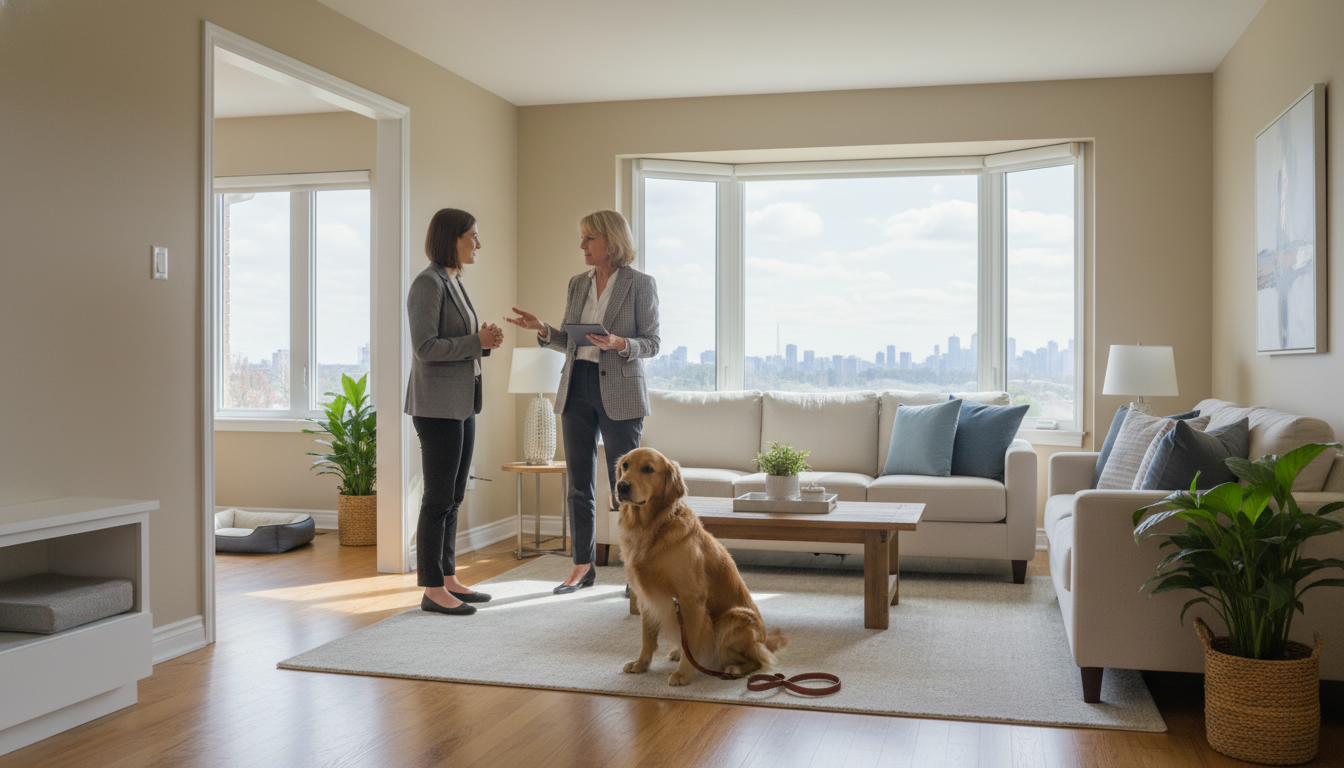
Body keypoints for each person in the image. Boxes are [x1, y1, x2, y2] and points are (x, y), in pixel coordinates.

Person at [506, 209, 660, 595]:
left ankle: (637, 571)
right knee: (578, 484)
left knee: (628, 487)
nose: (582, 245)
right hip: (576, 386)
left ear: (612, 241)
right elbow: (570, 341)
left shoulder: (641, 284)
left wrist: (619, 343)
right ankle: (581, 566)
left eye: (590, 238)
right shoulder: (577, 284)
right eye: (583, 238)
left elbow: (652, 343)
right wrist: (543, 330)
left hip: (621, 390)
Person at [406, 208, 504, 615]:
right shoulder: (427, 283)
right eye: (473, 236)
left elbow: (460, 341)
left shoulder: (453, 280)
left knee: (454, 496)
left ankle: (447, 578)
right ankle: (432, 589)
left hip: (462, 403)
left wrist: (484, 342)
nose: (478, 244)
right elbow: (424, 347)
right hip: (437, 407)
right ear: (453, 238)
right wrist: (476, 341)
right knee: (438, 498)